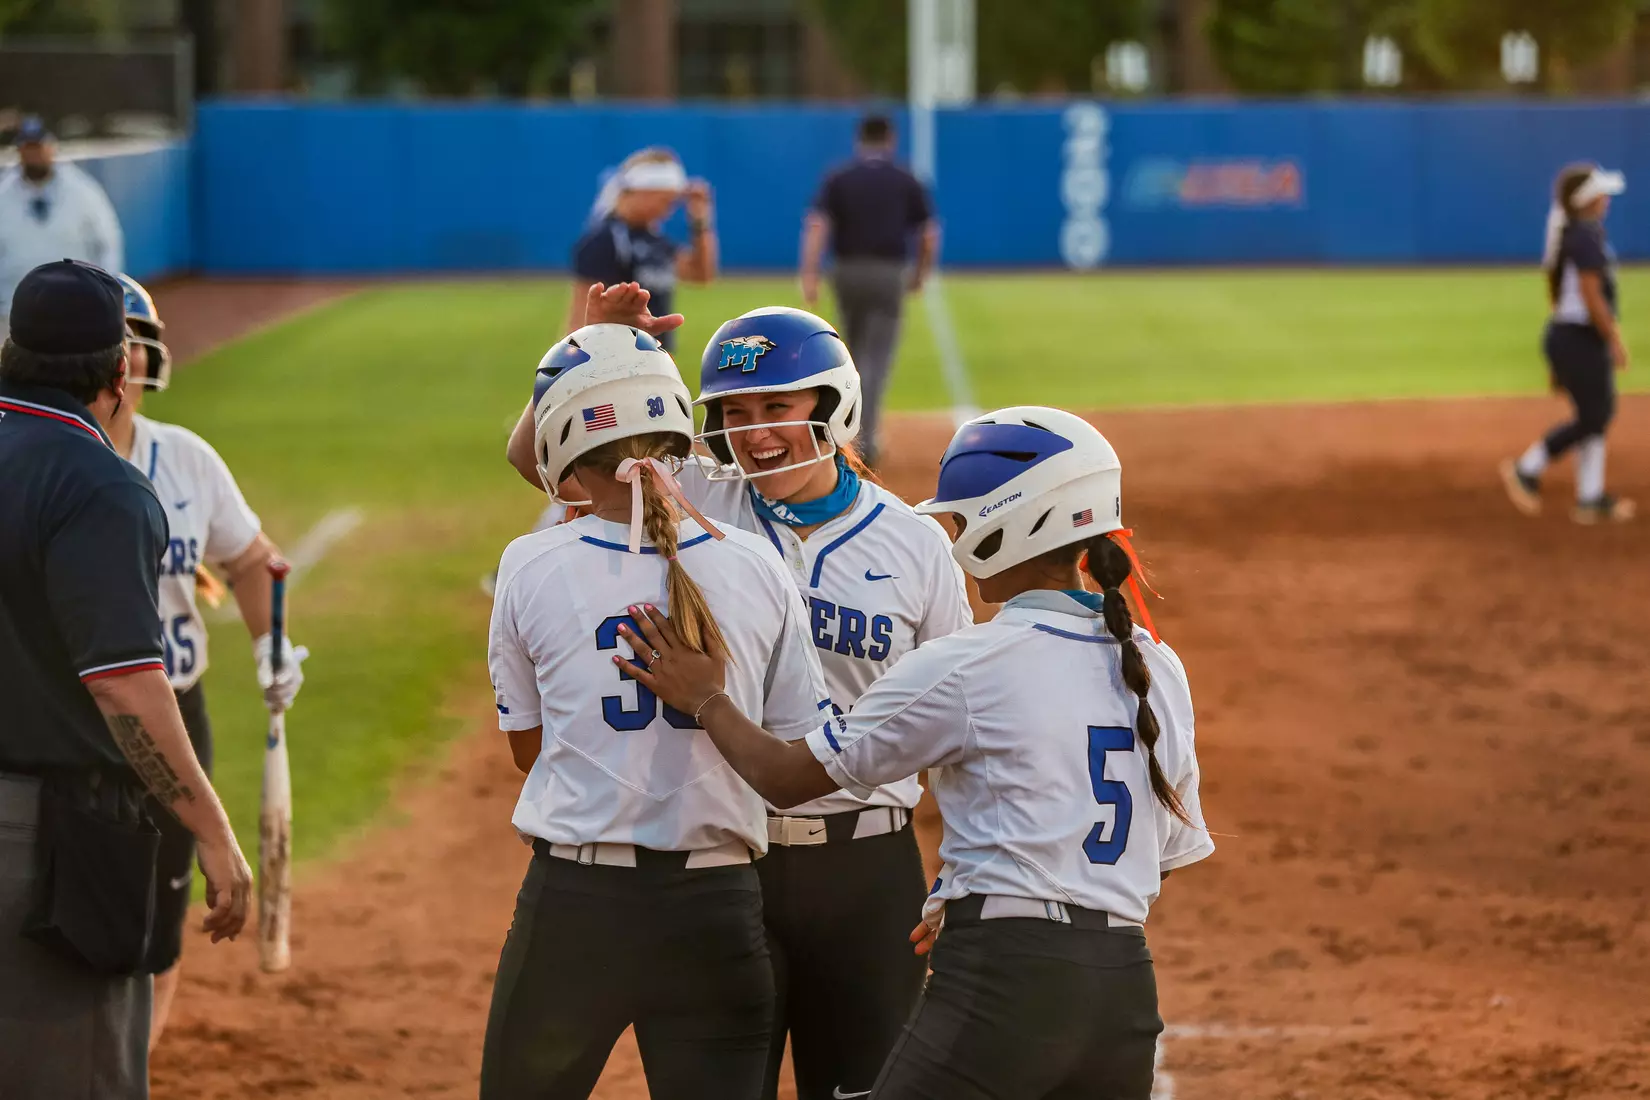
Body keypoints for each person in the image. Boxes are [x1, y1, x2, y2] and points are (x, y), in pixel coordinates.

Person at [616, 406, 1215, 1100]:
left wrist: (706, 698)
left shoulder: (971, 664)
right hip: (1123, 990)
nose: (953, 536)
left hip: (1003, 985)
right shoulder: (1157, 666)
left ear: (1006, 525)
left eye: (961, 521)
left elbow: (786, 778)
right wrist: (998, 892)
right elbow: (1160, 851)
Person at [481, 322, 834, 1100]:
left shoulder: (530, 566)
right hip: (718, 907)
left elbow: (527, 750)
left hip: (575, 908)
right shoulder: (758, 565)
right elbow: (793, 751)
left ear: (565, 438)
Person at [687, 305, 972, 1100]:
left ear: (831, 405)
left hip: (867, 870)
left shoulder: (916, 546)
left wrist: (961, 874)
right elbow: (549, 462)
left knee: (860, 1091)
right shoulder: (697, 503)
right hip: (724, 857)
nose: (754, 432)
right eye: (735, 413)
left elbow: (963, 724)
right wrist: (605, 339)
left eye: (778, 406)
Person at [0, 260, 251, 1098]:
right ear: (120, 370)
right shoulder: (102, 484)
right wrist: (212, 831)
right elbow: (126, 687)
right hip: (41, 836)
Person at [109, 274, 306, 1049]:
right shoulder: (42, 460)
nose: (117, 364)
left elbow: (253, 560)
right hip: (74, 720)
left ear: (147, 358)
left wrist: (272, 644)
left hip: (175, 715)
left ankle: (133, 1071)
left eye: (128, 346)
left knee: (162, 923)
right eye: (104, 348)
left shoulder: (184, 460)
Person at [800, 113, 939, 466]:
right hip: (888, 272)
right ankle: (864, 442)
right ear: (890, 139)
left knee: (850, 355)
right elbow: (928, 233)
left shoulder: (840, 177)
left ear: (859, 140)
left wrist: (810, 275)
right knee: (876, 360)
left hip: (847, 271)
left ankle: (842, 433)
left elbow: (817, 225)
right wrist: (920, 274)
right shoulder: (906, 179)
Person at [1501, 163, 1634, 524]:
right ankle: (1528, 468)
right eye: (1601, 193)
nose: (1607, 199)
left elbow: (1564, 296)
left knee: (1596, 416)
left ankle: (1590, 498)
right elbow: (1592, 298)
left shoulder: (1578, 233)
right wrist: (1615, 339)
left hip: (1572, 338)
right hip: (1578, 338)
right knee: (1595, 415)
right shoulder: (1584, 237)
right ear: (1589, 200)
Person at [570, 147, 716, 353]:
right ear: (640, 191)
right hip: (618, 364)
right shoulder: (606, 240)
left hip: (654, 362)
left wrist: (700, 222)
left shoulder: (654, 239)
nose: (669, 210)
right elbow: (580, 320)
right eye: (665, 201)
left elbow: (701, 275)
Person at [0, 117, 125, 340]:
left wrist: (108, 297)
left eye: (38, 147)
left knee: (71, 371)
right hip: (12, 312)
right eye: (27, 147)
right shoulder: (3, 194)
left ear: (51, 146)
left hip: (74, 310)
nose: (33, 154)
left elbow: (108, 244)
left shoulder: (83, 191)